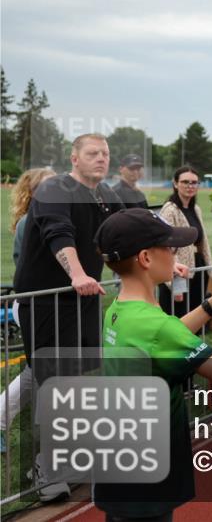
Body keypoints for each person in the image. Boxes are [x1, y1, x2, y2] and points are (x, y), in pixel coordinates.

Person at [92, 208, 212, 521]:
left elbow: (165, 339)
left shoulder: (120, 309)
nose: (175, 254)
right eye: (169, 248)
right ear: (146, 258)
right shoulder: (157, 326)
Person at [12, 134, 134, 501]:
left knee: (77, 379)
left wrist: (161, 258)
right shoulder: (55, 189)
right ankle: (45, 468)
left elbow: (127, 227)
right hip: (48, 303)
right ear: (74, 158)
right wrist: (78, 274)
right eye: (93, 153)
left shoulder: (104, 194)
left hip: (83, 300)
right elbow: (59, 234)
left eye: (105, 153)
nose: (101, 158)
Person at [1, 168, 56, 455]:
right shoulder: (30, 222)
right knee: (41, 371)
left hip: (49, 305)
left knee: (40, 372)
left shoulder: (51, 218)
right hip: (35, 305)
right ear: (32, 192)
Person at [157, 166, 212, 318]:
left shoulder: (196, 209)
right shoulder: (170, 210)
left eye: (194, 182)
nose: (190, 186)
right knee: (178, 315)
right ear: (175, 184)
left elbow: (202, 240)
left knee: (196, 313)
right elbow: (166, 246)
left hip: (198, 266)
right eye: (185, 182)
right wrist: (175, 282)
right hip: (179, 270)